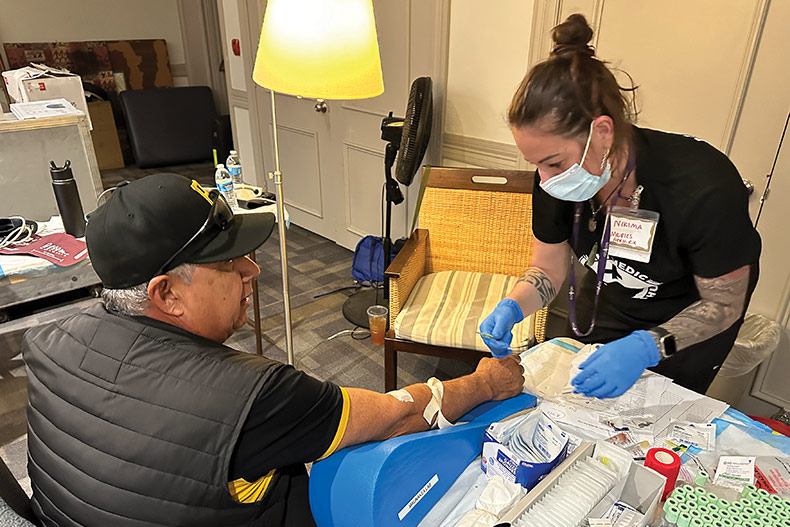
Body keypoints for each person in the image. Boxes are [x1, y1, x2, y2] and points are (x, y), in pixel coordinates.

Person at [22, 173, 525, 527]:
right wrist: (484, 382)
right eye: (227, 263)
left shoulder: (45, 342)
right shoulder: (250, 395)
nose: (252, 270)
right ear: (165, 294)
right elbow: (393, 416)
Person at [479, 14, 761, 399]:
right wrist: (514, 305)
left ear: (603, 131)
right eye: (536, 165)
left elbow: (723, 306)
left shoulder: (703, 187)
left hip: (690, 325)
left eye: (554, 163)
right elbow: (547, 268)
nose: (545, 180)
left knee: (662, 422)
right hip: (616, 302)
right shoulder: (556, 179)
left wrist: (646, 348)